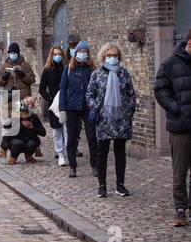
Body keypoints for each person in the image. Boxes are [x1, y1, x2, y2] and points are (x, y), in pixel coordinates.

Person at [87, 43, 137, 199]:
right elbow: (90, 94)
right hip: (104, 119)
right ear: (103, 57)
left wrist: (129, 110)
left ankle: (120, 185)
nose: (112, 58)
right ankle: (102, 186)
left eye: (115, 55)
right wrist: (96, 108)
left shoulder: (124, 73)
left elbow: (131, 94)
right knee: (102, 153)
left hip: (121, 119)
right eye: (109, 55)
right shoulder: (97, 74)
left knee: (120, 153)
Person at [155, 29, 191, 227]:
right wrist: (176, 108)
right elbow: (160, 89)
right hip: (180, 127)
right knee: (180, 171)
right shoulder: (170, 64)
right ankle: (180, 210)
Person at [59, 41, 98, 178]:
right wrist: (62, 108)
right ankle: (72, 166)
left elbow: (96, 90)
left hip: (88, 107)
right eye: (80, 52)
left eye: (85, 52)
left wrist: (96, 106)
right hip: (72, 107)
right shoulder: (69, 69)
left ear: (88, 54)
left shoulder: (92, 70)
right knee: (72, 138)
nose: (83, 54)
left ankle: (95, 165)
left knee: (92, 137)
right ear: (76, 54)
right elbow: (63, 89)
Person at [0, 42, 36, 158]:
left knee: (24, 124)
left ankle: (28, 152)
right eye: (11, 53)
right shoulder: (4, 66)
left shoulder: (25, 65)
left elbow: (32, 80)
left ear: (18, 54)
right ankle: (4, 149)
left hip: (22, 100)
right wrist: (4, 77)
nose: (12, 54)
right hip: (9, 100)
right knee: (9, 126)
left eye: (14, 53)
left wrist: (23, 75)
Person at [40, 46, 69, 167]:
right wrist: (50, 98)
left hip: (66, 102)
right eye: (55, 54)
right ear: (52, 56)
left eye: (59, 54)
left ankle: (69, 151)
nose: (57, 56)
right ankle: (60, 153)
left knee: (67, 129)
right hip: (54, 104)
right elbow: (42, 89)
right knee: (56, 130)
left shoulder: (66, 69)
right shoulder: (47, 70)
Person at [4, 98, 47, 165]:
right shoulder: (16, 117)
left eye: (32, 105)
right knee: (18, 143)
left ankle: (28, 156)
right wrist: (20, 123)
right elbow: (6, 128)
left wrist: (32, 127)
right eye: (28, 105)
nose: (30, 107)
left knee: (32, 143)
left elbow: (43, 132)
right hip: (16, 139)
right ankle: (13, 157)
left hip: (30, 139)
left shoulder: (34, 118)